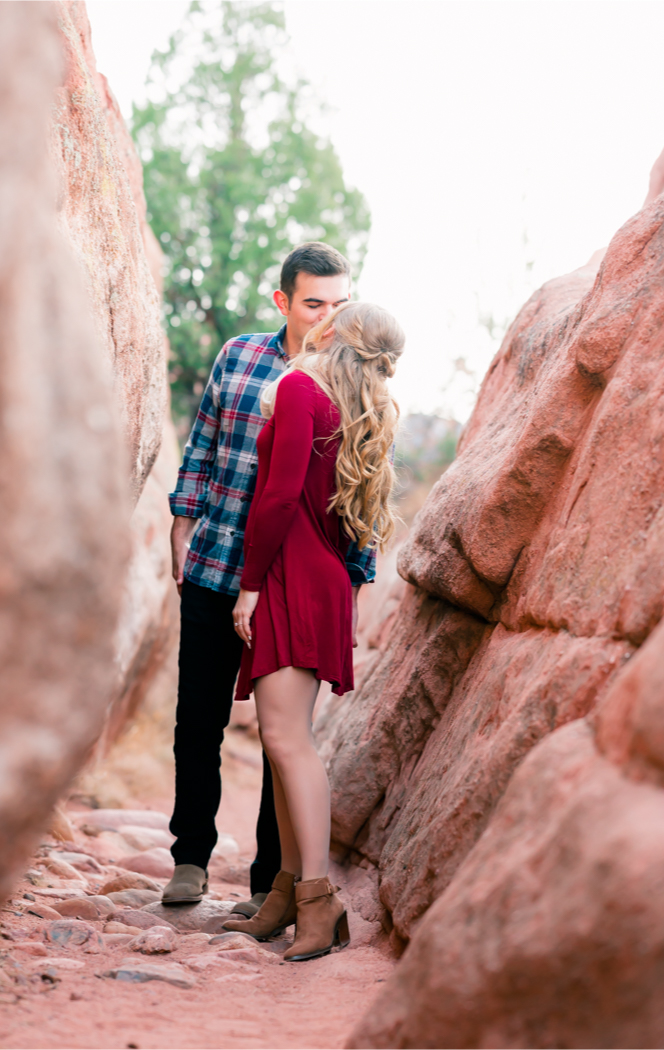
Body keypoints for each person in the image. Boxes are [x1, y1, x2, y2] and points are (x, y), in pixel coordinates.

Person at [164, 243, 373, 913]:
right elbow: (203, 440)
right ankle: (189, 858)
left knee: (281, 737)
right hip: (220, 560)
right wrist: (181, 519)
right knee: (198, 718)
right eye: (314, 304)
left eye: (340, 305)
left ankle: (268, 885)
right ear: (283, 301)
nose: (328, 319)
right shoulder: (240, 358)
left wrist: (357, 578)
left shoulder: (354, 380)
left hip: (285, 587)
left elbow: (363, 489)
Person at [220, 301, 403, 961]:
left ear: (332, 334)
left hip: (293, 577)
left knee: (288, 742)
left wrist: (249, 583)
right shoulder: (345, 405)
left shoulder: (301, 388)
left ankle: (318, 901)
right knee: (282, 742)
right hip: (317, 577)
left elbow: (275, 497)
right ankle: (286, 894)